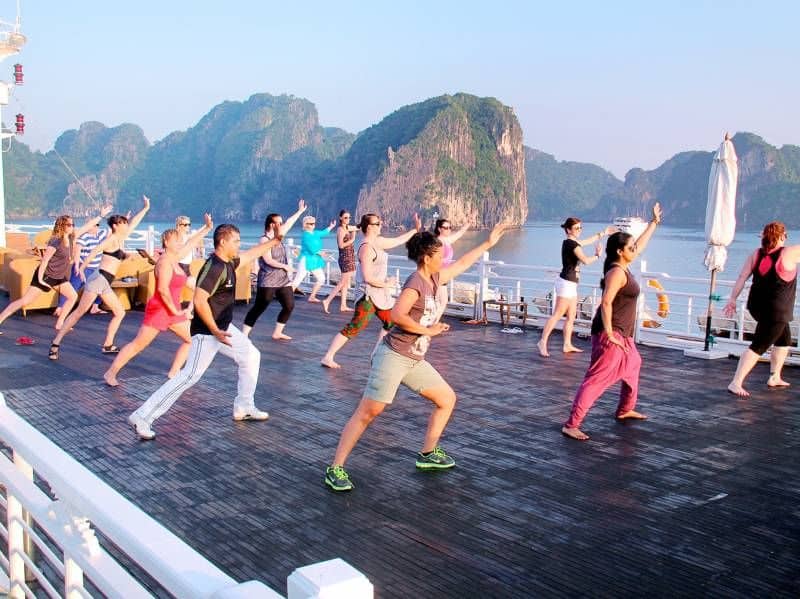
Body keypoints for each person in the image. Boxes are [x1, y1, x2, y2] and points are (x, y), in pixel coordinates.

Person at [324, 223, 512, 492]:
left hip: (413, 359)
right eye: (439, 253)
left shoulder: (435, 278)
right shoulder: (416, 283)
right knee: (368, 412)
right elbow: (398, 315)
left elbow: (462, 264)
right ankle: (335, 468)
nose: (443, 256)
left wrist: (488, 243)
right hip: (393, 356)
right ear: (427, 257)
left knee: (446, 399)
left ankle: (427, 454)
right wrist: (429, 330)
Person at [127, 224, 282, 440]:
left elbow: (249, 255)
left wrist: (274, 242)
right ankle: (142, 416)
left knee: (251, 356)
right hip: (207, 331)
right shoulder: (215, 267)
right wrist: (214, 330)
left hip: (223, 328)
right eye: (236, 241)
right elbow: (199, 299)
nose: (239, 244)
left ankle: (244, 406)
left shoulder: (229, 262)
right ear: (223, 242)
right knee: (190, 375)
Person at [561, 203, 662, 441]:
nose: (635, 250)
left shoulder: (622, 267)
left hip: (622, 334)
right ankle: (571, 424)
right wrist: (610, 333)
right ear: (620, 251)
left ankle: (625, 409)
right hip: (611, 333)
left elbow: (641, 244)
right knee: (598, 379)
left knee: (634, 365)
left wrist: (654, 223)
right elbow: (605, 303)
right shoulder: (616, 273)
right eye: (630, 247)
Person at [103, 214, 213, 387]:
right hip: (160, 310)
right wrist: (175, 310)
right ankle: (110, 373)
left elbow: (190, 243)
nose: (179, 243)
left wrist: (206, 228)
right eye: (176, 240)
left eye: (180, 240)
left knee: (191, 339)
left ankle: (174, 373)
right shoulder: (164, 263)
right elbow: (162, 290)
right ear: (167, 242)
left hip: (172, 311)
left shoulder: (174, 259)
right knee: (138, 345)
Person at [48, 196, 150, 359]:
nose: (126, 225)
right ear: (116, 226)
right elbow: (95, 252)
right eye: (123, 223)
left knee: (119, 312)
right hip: (98, 280)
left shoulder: (120, 237)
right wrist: (81, 267)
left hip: (104, 283)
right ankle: (55, 344)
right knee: (78, 313)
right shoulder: (110, 240)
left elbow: (134, 223)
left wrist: (145, 208)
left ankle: (108, 344)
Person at [320, 212, 422, 369]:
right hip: (367, 296)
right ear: (369, 227)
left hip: (380, 296)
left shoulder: (377, 242)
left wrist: (415, 229)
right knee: (355, 326)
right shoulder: (366, 248)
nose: (381, 225)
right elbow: (367, 277)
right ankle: (328, 357)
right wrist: (387, 284)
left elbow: (397, 240)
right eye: (377, 223)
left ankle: (376, 355)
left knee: (391, 322)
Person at [0, 207, 112, 333]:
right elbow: (45, 261)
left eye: (73, 224)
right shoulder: (55, 241)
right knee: (25, 301)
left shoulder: (71, 237)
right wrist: (41, 280)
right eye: (69, 225)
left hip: (59, 277)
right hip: (47, 276)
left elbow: (87, 226)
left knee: (72, 296)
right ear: (62, 226)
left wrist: (101, 216)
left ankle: (60, 324)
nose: (72, 227)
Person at [723, 221, 799, 397]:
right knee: (759, 345)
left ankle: (775, 376)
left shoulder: (756, 254)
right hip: (777, 310)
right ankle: (736, 382)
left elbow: (742, 277)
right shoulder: (788, 253)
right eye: (785, 236)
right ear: (781, 236)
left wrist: (733, 299)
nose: (786, 239)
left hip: (757, 307)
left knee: (784, 340)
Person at [537, 219, 616, 357]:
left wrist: (603, 233)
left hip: (571, 283)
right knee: (557, 314)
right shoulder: (571, 244)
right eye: (576, 228)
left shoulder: (571, 242)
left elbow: (587, 241)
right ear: (568, 230)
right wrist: (598, 255)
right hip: (566, 283)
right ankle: (542, 342)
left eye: (580, 227)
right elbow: (585, 260)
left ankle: (567, 344)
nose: (580, 230)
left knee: (571, 316)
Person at [242, 199, 307, 340]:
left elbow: (290, 222)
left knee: (289, 305)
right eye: (279, 222)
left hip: (282, 279)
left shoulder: (279, 234)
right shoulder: (264, 240)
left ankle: (278, 332)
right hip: (268, 279)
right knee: (259, 307)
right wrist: (286, 266)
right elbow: (268, 260)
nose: (282, 224)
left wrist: (300, 211)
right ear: (272, 225)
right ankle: (244, 334)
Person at [55, 220, 108, 318]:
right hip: (83, 267)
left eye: (97, 225)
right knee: (73, 287)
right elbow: (78, 251)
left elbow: (116, 231)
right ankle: (60, 308)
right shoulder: (84, 237)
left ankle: (95, 307)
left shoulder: (100, 234)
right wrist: (77, 266)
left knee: (102, 286)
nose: (96, 227)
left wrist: (125, 220)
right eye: (93, 225)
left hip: (95, 268)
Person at [291, 215, 335, 303]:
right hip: (306, 260)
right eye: (310, 223)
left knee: (321, 278)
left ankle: (312, 296)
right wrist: (320, 253)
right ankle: (285, 296)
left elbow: (324, 232)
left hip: (315, 261)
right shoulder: (305, 235)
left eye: (314, 223)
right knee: (298, 279)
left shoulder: (315, 233)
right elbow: (311, 248)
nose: (313, 225)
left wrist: (331, 226)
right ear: (305, 224)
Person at [322, 210, 359, 313]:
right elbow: (341, 245)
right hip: (345, 257)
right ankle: (327, 300)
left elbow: (357, 227)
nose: (348, 219)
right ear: (340, 218)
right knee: (343, 282)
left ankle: (343, 305)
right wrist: (353, 239)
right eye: (346, 217)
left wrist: (356, 229)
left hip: (349, 256)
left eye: (349, 218)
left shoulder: (346, 228)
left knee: (346, 282)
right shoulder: (340, 230)